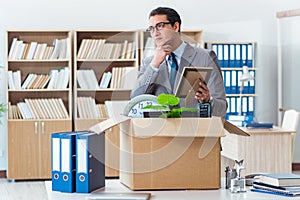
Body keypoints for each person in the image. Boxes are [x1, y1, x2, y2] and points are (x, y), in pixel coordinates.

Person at [131, 7, 227, 117]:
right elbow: (135, 100)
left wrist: (207, 101)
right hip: (157, 131)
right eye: (151, 29)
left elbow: (222, 108)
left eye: (160, 26)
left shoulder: (205, 57)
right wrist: (155, 64)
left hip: (193, 131)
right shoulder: (149, 63)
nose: (155, 33)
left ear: (175, 27)